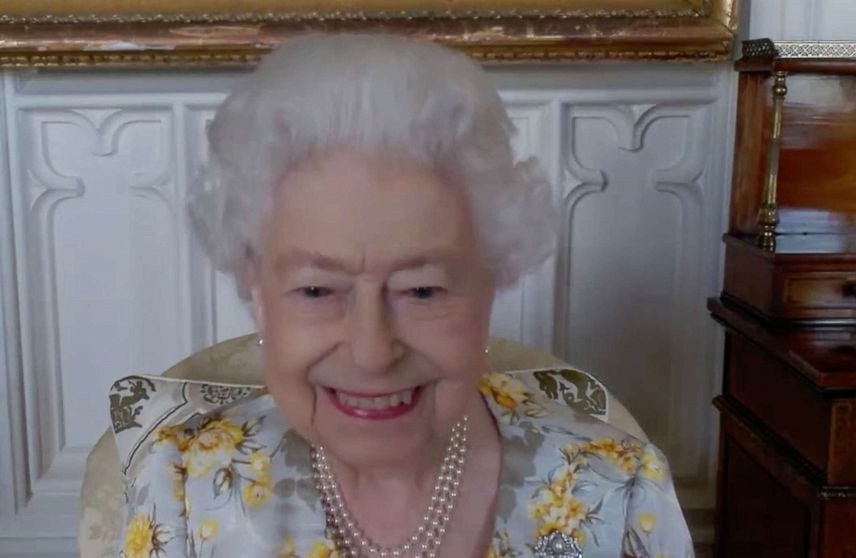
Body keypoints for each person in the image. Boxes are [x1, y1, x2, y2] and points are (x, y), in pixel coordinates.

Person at [116, 34, 693, 558]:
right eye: (317, 290)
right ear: (256, 290)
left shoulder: (614, 493)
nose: (372, 350)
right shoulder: (182, 489)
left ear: (491, 281)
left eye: (421, 290)